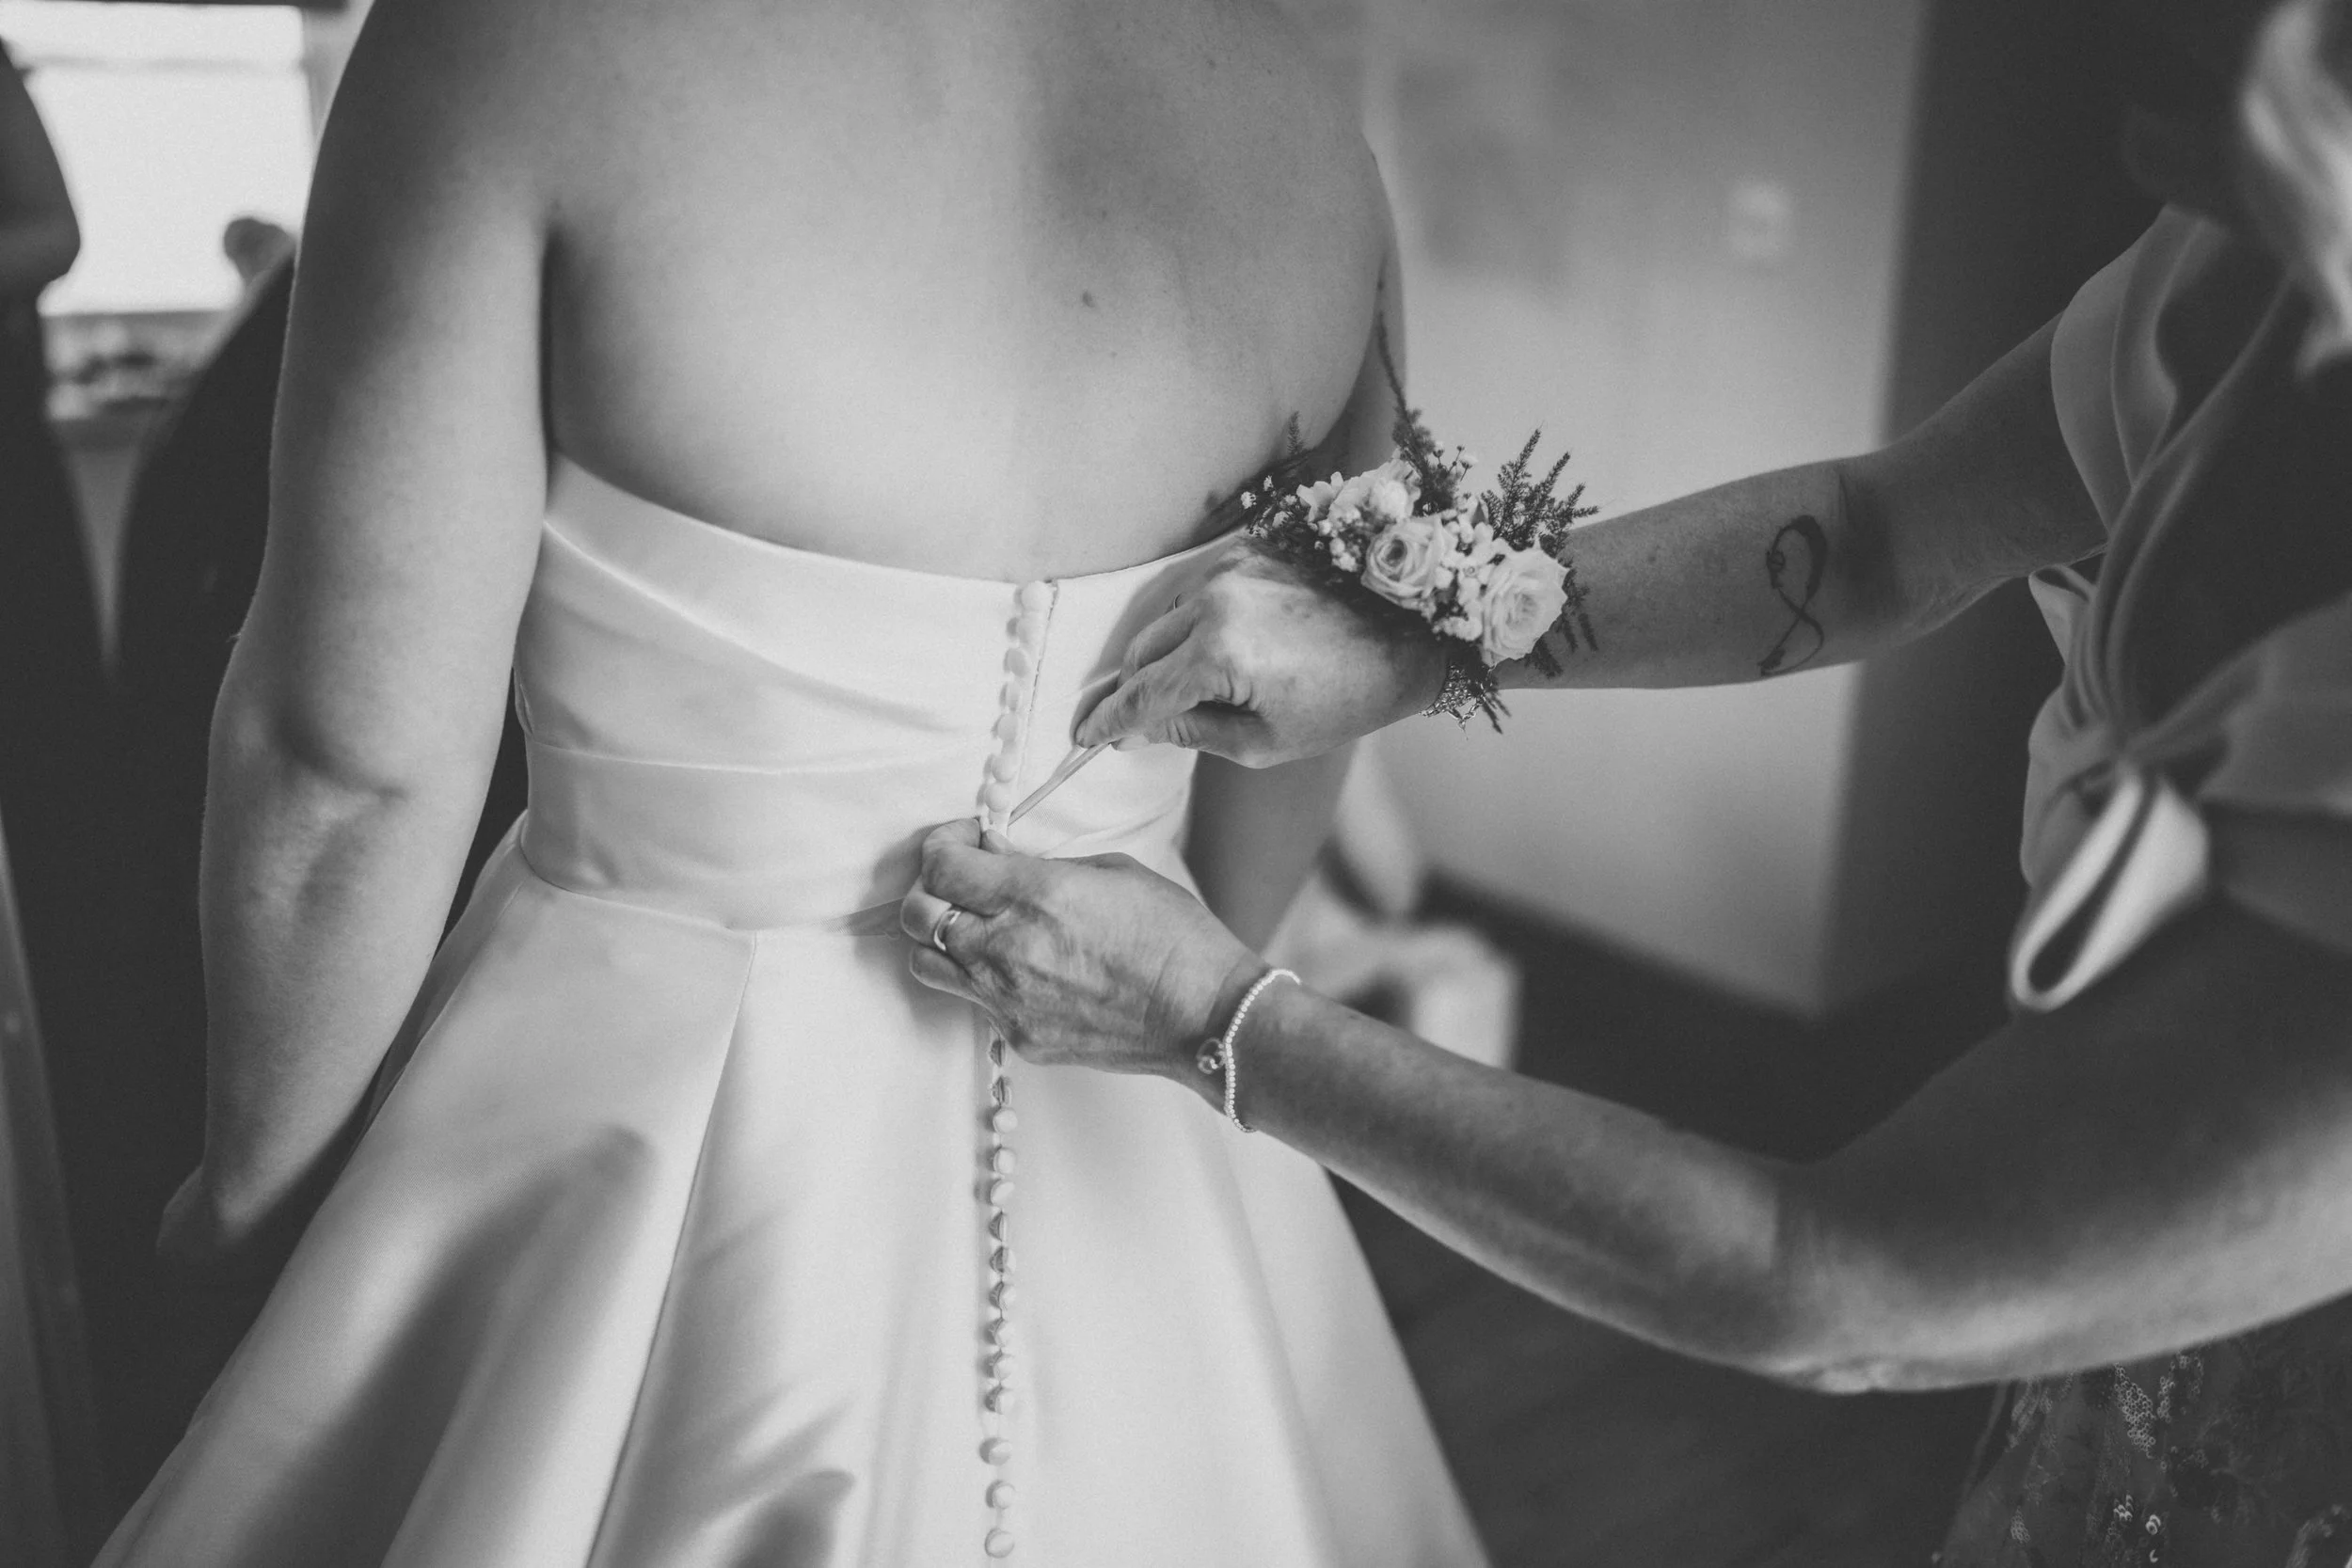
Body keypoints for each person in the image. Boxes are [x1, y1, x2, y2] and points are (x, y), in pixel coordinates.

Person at [901, 2, 2352, 1562]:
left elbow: (1838, 1277)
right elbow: (1875, 542)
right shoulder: (2231, 278)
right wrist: (1420, 637)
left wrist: (1213, 1019)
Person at [98, 1, 1485, 1564]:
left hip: (630, 1128)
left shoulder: (509, 45)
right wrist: (1172, 1004)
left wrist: (251, 1224)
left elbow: (345, 773)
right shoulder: (1299, 98)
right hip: (1144, 1108)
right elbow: (1300, 723)